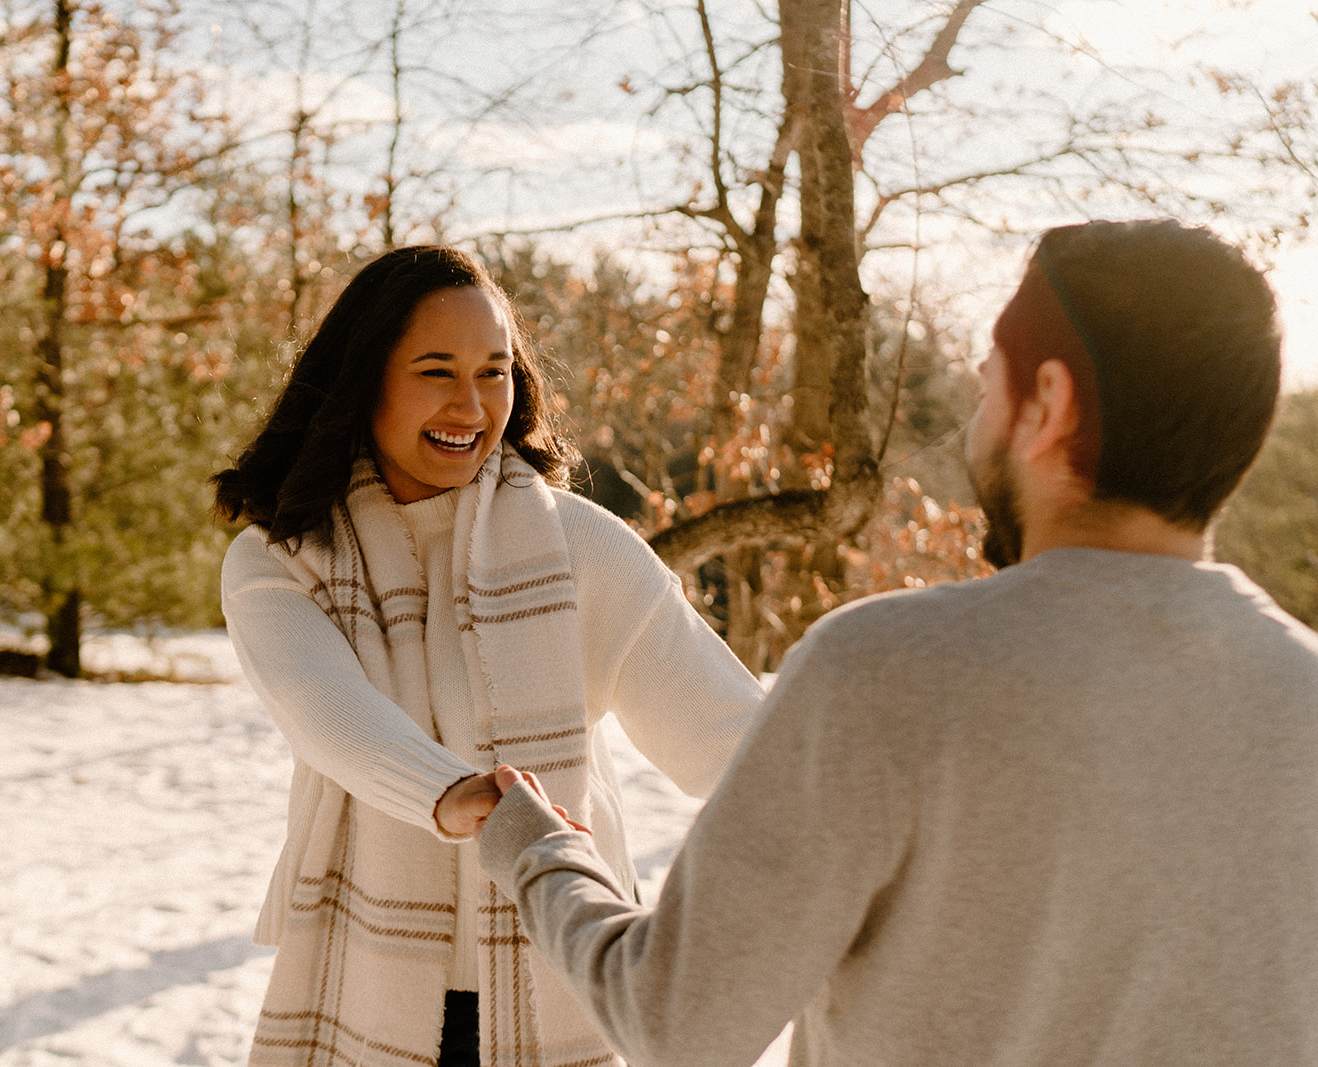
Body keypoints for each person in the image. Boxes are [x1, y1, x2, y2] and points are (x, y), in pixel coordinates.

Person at [477, 218, 1318, 1067]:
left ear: (1049, 403)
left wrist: (539, 847)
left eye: (990, 388)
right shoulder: (1303, 694)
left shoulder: (886, 670)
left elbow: (675, 1018)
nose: (974, 425)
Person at [212, 245, 763, 1067]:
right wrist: (448, 793)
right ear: (364, 380)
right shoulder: (282, 560)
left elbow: (737, 742)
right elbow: (324, 708)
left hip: (566, 976)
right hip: (367, 983)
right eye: (437, 371)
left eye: (494, 372)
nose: (470, 405)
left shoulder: (581, 548)